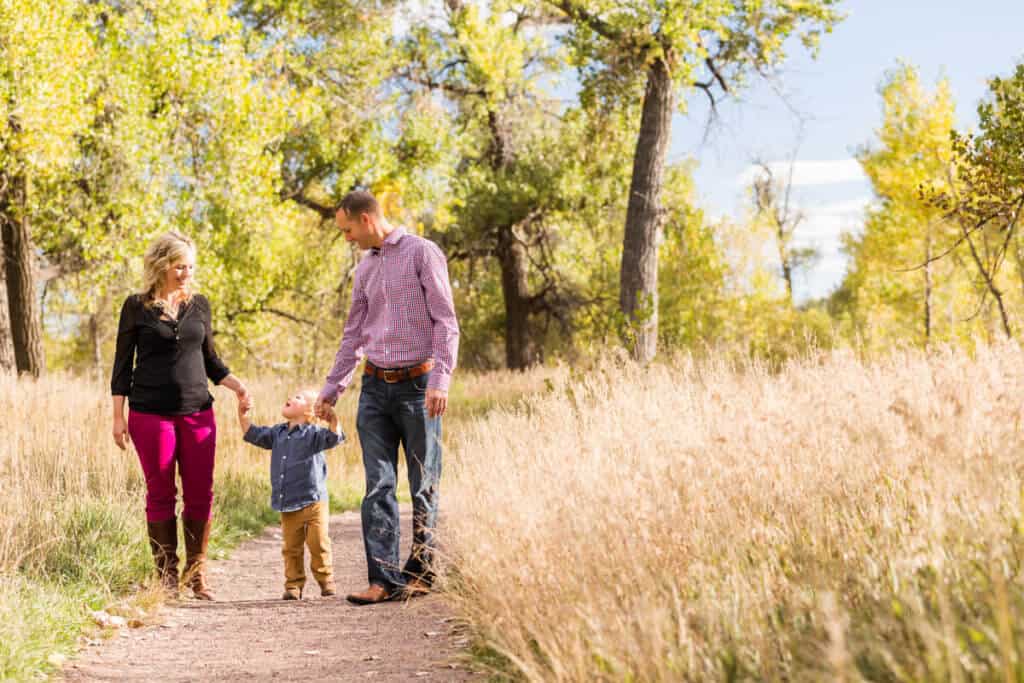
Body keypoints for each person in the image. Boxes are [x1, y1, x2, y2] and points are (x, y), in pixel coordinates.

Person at [314, 190, 459, 605]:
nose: (346, 238)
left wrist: (441, 380)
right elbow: (354, 335)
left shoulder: (422, 253)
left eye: (347, 230)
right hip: (375, 389)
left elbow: (446, 322)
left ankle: (422, 574)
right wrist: (333, 388)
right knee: (378, 485)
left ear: (365, 219)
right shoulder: (365, 270)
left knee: (423, 485)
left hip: (419, 387)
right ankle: (382, 579)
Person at [110, 230, 250, 600]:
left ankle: (196, 573)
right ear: (161, 265)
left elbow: (210, 360)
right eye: (179, 266)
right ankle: (167, 577)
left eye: (190, 266)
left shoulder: (199, 305)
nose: (186, 273)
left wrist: (236, 385)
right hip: (149, 414)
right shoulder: (136, 307)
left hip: (197, 412)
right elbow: (122, 365)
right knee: (160, 492)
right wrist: (117, 416)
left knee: (201, 492)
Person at [239, 388, 344, 600]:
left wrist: (333, 418)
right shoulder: (276, 433)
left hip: (314, 501)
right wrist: (242, 414)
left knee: (318, 543)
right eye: (292, 395)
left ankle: (326, 580)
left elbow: (334, 437)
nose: (290, 397)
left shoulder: (314, 433)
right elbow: (253, 434)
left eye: (298, 397)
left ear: (309, 412)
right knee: (291, 548)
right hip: (287, 502)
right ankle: (293, 585)